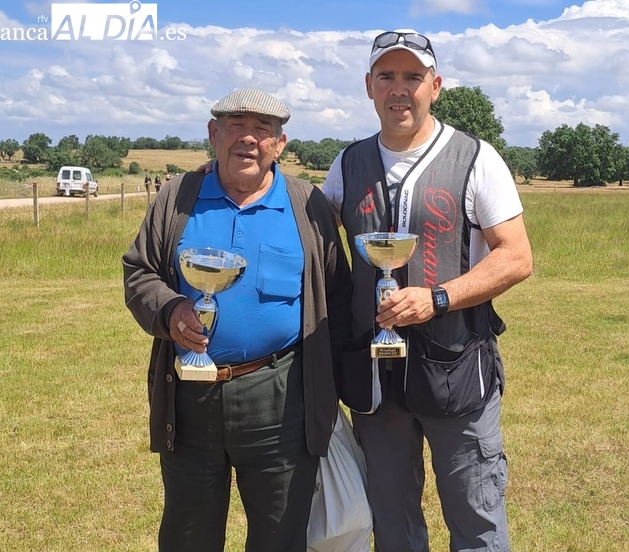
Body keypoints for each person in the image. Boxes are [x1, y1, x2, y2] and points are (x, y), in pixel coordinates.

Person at [321, 30, 533, 552]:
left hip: (456, 370)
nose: (400, 89)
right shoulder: (348, 164)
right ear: (368, 86)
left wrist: (436, 298)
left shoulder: (476, 157)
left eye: (413, 77)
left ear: (434, 86)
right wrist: (230, 173)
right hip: (375, 378)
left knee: (477, 521)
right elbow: (312, 238)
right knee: (392, 523)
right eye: (387, 76)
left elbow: (516, 256)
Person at [122, 88, 352, 552]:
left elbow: (340, 299)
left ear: (279, 144)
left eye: (262, 129)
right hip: (189, 395)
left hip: (282, 396)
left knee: (280, 536)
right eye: (235, 126)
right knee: (188, 536)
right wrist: (171, 310)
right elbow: (139, 272)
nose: (248, 138)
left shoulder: (308, 205)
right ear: (213, 134)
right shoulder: (177, 197)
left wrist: (344, 393)